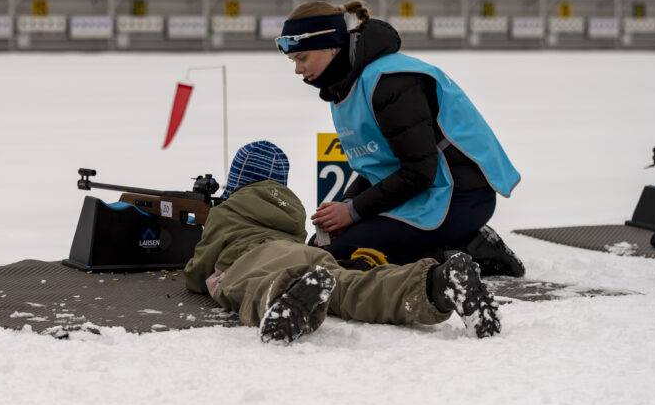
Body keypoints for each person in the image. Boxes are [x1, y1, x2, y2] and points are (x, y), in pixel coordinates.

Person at [274, 0, 524, 276]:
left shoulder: (390, 82)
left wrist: (355, 211)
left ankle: (469, 248)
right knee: (322, 247)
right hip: (424, 192)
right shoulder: (345, 87)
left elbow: (419, 171)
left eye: (302, 58)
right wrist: (346, 206)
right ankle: (449, 246)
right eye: (293, 60)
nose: (297, 69)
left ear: (331, 45)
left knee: (343, 255)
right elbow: (376, 166)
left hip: (460, 196)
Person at [182, 140, 503, 343]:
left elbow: (197, 273)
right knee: (352, 287)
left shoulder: (228, 212)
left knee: (253, 285)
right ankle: (436, 284)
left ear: (237, 181)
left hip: (252, 260)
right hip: (305, 255)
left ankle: (280, 300)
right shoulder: (291, 213)